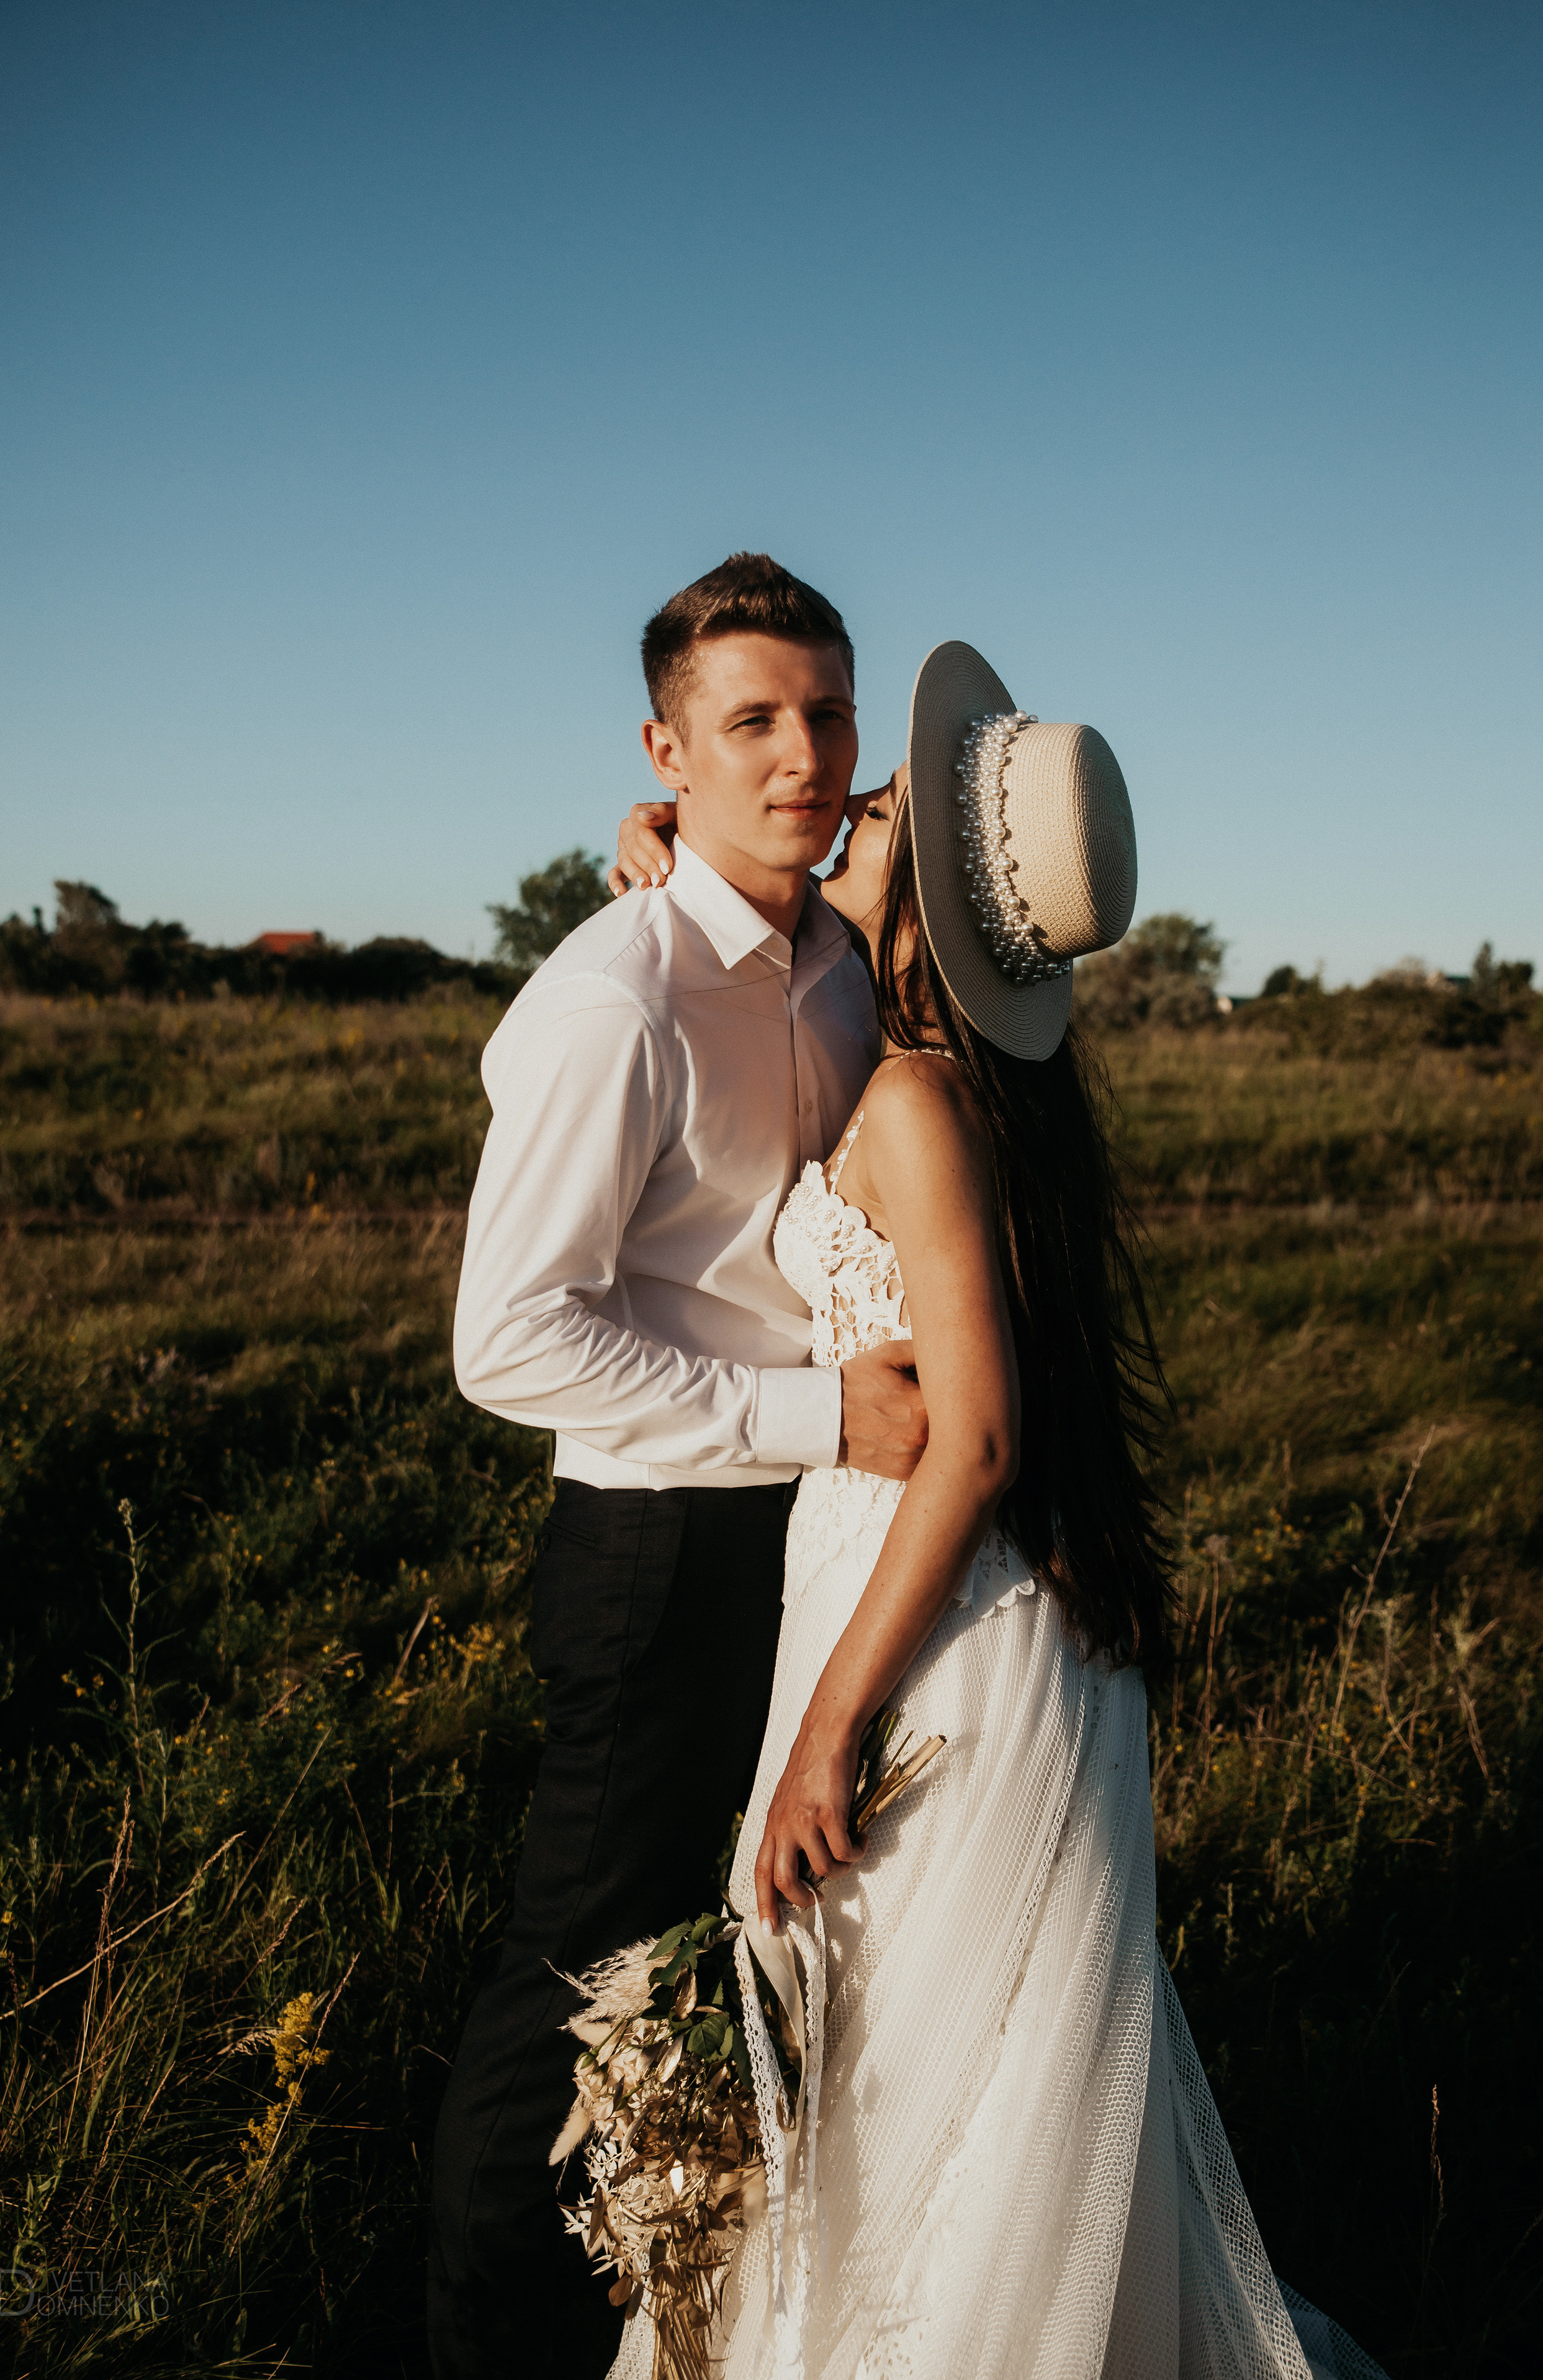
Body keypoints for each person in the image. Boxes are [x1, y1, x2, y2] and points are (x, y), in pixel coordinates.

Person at [604, 645, 1387, 2380]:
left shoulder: (910, 1100)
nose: (844, 806)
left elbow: (972, 1440)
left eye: (874, 810)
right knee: (955, 2077)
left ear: (929, 891)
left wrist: (825, 1730)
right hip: (965, 1616)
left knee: (925, 2083)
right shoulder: (972, 1080)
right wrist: (667, 844)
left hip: (936, 1637)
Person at [427, 554, 930, 2380]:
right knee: (580, 1982)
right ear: (667, 748)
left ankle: (685, 2316)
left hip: (813, 1539)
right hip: (653, 1554)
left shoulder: (831, 955)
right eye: (750, 722)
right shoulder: (612, 1000)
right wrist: (823, 1415)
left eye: (826, 713)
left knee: (747, 1963)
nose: (800, 753)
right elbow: (512, 1339)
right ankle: (482, 2346)